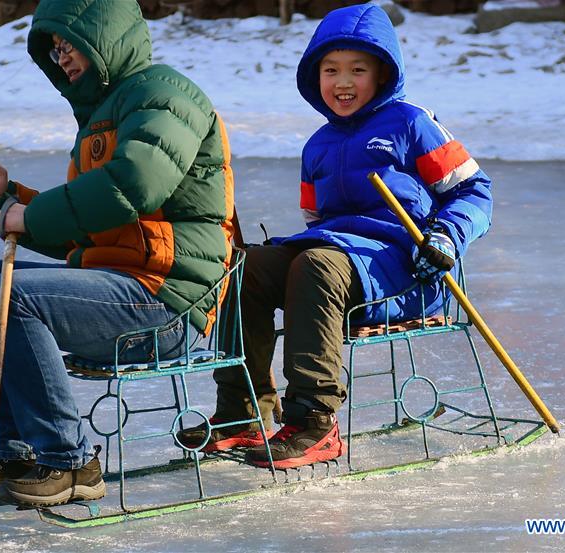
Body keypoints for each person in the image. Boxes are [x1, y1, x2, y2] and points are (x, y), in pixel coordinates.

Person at [0, 0, 236, 507]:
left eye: (68, 44)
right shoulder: (103, 115)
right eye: (53, 50)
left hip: (170, 300)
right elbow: (88, 227)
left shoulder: (165, 94)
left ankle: (69, 461)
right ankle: (16, 452)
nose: (61, 58)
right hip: (119, 286)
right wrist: (10, 204)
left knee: (15, 298)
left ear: (104, 34)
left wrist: (29, 217)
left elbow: (133, 184)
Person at [178, 3, 493, 469]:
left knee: (317, 264)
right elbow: (314, 219)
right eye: (331, 70)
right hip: (340, 259)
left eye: (357, 70)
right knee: (244, 266)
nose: (342, 82)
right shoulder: (318, 145)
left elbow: (474, 191)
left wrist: (446, 238)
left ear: (382, 74)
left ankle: (313, 423)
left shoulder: (411, 124)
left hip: (408, 266)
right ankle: (244, 412)